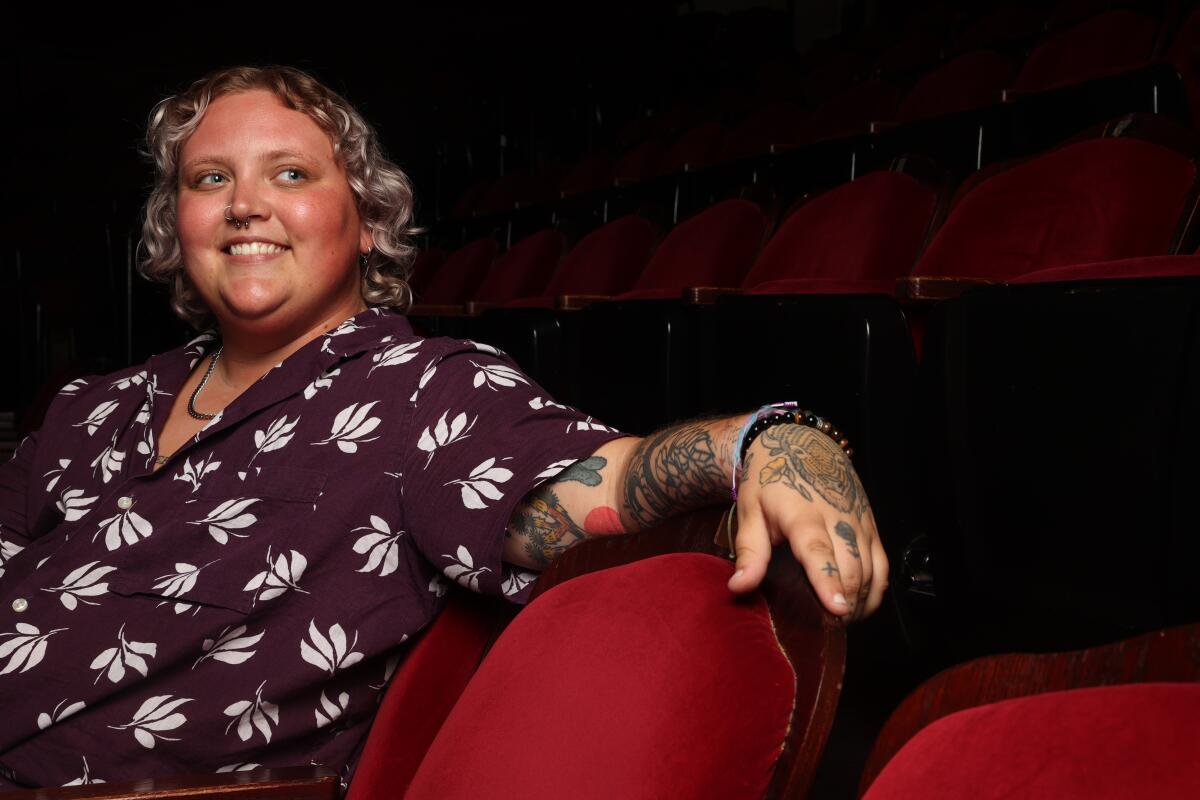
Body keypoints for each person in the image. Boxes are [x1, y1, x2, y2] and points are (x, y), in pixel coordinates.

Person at [0, 66, 885, 789]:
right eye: (210, 179)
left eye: (292, 173)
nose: (245, 205)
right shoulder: (95, 405)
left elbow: (601, 485)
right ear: (176, 225)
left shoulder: (423, 394)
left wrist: (775, 440)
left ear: (368, 222)